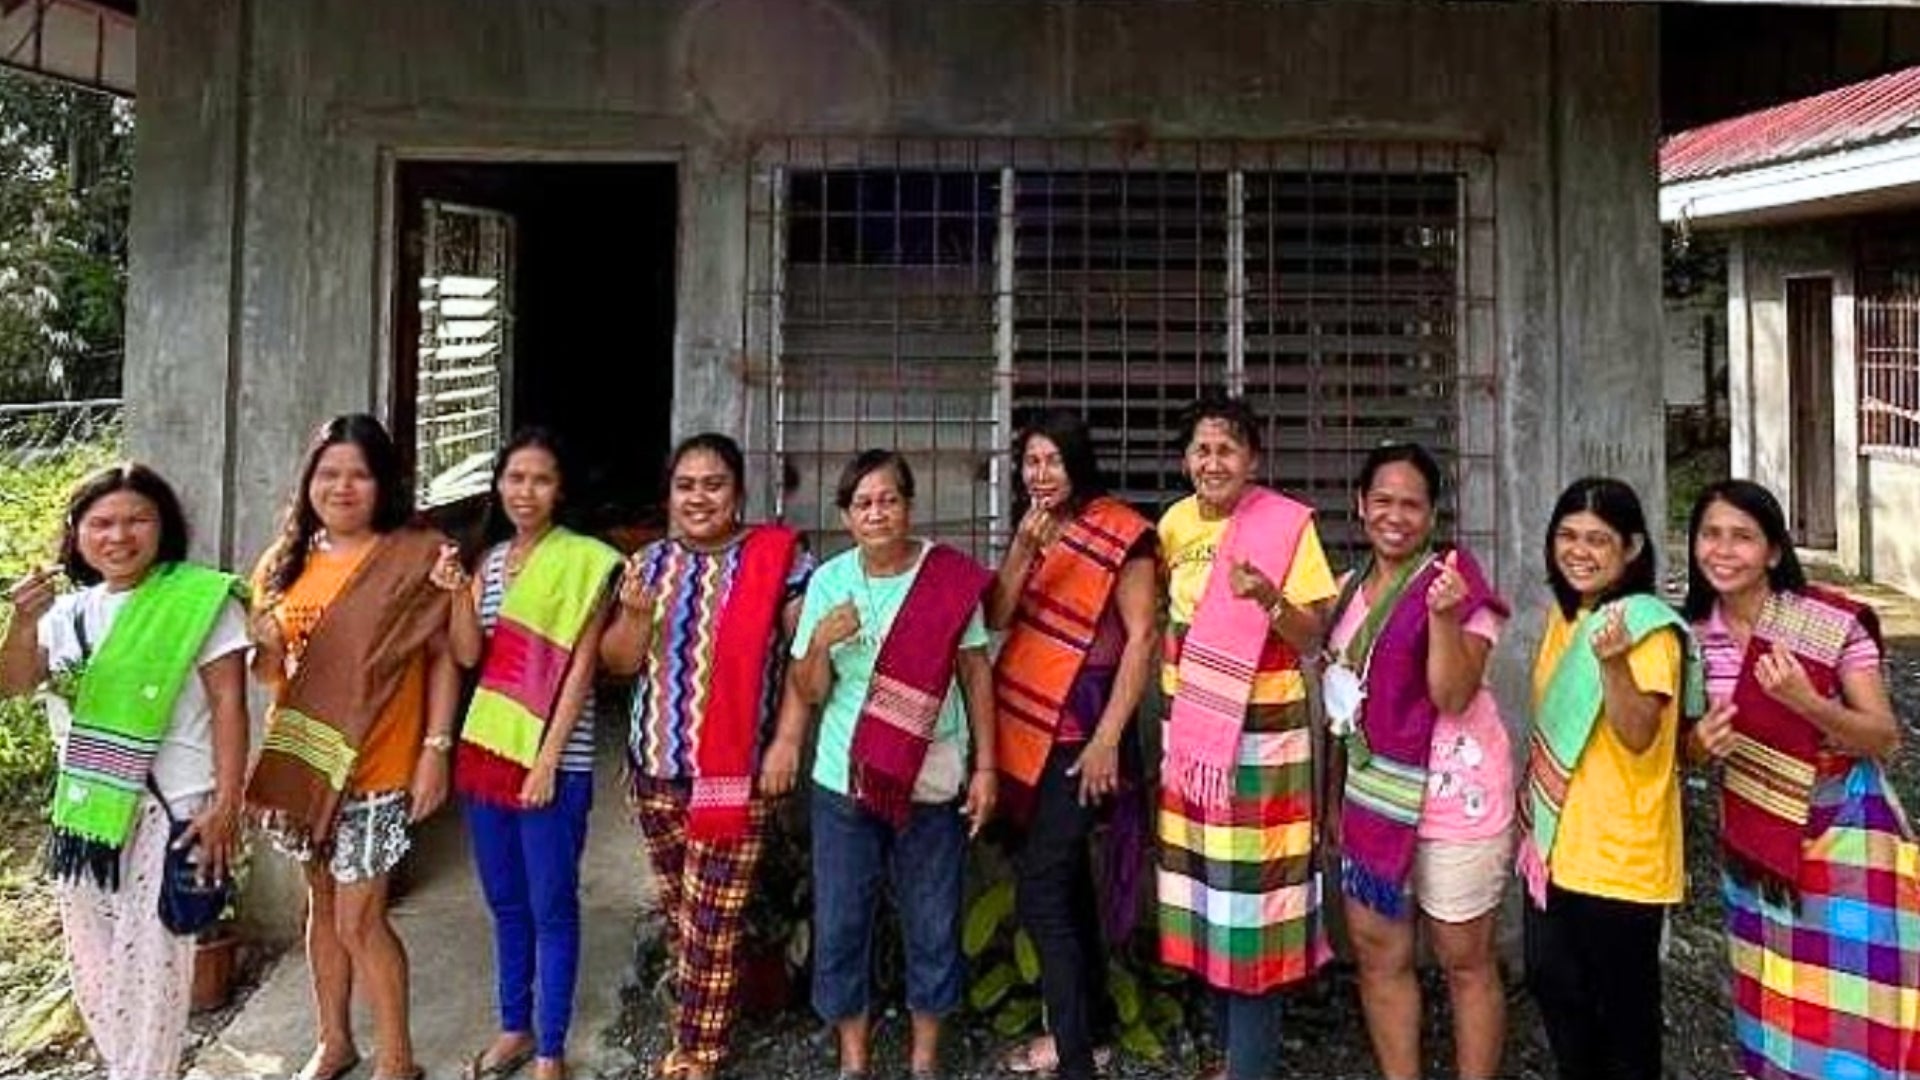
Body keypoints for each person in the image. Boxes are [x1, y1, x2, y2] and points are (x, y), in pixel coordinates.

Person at [0, 464, 249, 1080]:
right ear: (76, 533)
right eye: (101, 522)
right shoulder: (66, 613)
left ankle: (146, 1072)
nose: (119, 535)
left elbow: (229, 705)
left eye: (137, 519)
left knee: (158, 966)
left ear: (163, 526)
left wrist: (227, 805)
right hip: (87, 813)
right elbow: (13, 684)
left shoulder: (197, 601)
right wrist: (23, 623)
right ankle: (128, 1067)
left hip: (176, 809)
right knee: (95, 962)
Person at [245, 414, 458, 1080]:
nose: (342, 487)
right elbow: (272, 672)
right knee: (323, 909)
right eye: (328, 473)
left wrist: (436, 748)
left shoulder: (416, 556)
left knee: (362, 919)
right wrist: (263, 643)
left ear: (383, 483)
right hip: (307, 765)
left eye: (359, 474)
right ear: (309, 481)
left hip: (379, 765)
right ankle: (333, 1041)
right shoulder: (283, 564)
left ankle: (398, 1059)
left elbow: (447, 657)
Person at [1682, 479, 1918, 1080]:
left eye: (1743, 537)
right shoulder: (1690, 639)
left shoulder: (1829, 623)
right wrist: (1698, 748)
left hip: (1843, 837)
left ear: (1774, 552)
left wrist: (1807, 703)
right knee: (1775, 1003)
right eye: (1711, 534)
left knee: (1856, 1007)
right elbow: (1680, 750)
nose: (1724, 551)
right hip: (1756, 843)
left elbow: (1883, 738)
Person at [600, 433, 812, 1080]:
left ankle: (697, 1054)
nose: (699, 497)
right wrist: (634, 620)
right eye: (685, 485)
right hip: (655, 768)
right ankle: (711, 1015)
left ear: (740, 493)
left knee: (710, 918)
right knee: (683, 915)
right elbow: (617, 664)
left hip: (731, 772)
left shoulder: (779, 560)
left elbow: (807, 656)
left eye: (713, 484)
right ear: (669, 494)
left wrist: (786, 741)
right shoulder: (648, 563)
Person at [790, 449, 996, 1080]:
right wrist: (820, 640)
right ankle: (853, 1054)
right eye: (862, 504)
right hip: (843, 779)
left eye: (889, 500)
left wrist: (987, 767)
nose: (876, 513)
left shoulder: (945, 579)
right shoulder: (828, 581)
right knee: (842, 918)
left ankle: (924, 1055)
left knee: (932, 918)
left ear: (909, 507)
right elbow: (809, 690)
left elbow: (974, 673)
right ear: (846, 517)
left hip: (930, 776)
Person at [1155, 396, 1334, 1080]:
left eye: (1227, 449)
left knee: (1253, 903)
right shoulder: (1171, 524)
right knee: (1208, 892)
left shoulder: (1284, 527)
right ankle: (1231, 1057)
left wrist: (1267, 599)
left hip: (1262, 739)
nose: (1212, 462)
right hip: (1196, 739)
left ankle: (1250, 1066)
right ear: (1185, 460)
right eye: (1201, 450)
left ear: (1252, 459)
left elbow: (1312, 636)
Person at [433, 429, 620, 1080]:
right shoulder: (488, 563)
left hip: (553, 764)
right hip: (489, 752)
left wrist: (545, 762)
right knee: (507, 903)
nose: (526, 491)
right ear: (500, 485)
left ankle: (550, 1050)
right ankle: (514, 1027)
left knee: (552, 905)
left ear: (559, 489)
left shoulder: (586, 562)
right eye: (515, 478)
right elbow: (466, 657)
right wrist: (457, 591)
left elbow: (583, 666)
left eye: (540, 479)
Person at [1323, 443, 1510, 1080]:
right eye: (1382, 501)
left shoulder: (1459, 582)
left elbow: (1452, 694)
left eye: (1411, 503)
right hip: (1373, 801)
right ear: (1360, 507)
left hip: (1455, 798)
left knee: (1465, 961)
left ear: (1431, 515)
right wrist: (1332, 802)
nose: (1394, 515)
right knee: (1379, 959)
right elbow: (1341, 712)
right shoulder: (1347, 590)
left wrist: (1444, 616)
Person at [986, 411, 1158, 1080]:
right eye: (1031, 462)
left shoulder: (1121, 533)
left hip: (1088, 730)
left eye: (1053, 461)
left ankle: (1074, 1055)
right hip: (1027, 727)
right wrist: (1023, 552)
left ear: (1078, 464)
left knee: (1041, 891)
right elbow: (998, 619)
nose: (1041, 474)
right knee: (1063, 884)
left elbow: (1141, 640)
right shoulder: (1033, 532)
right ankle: (1095, 1028)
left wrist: (1110, 740)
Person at [1517, 476, 1704, 1080]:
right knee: (1558, 997)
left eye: (1598, 539)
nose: (1579, 550)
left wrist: (1613, 664)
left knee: (1624, 1022)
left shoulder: (1644, 628)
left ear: (1632, 548)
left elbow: (1639, 733)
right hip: (1557, 847)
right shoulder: (1566, 615)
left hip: (1622, 859)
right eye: (1567, 535)